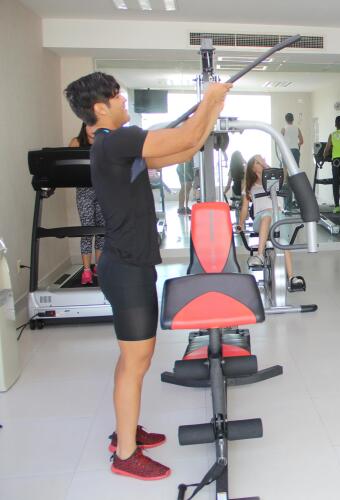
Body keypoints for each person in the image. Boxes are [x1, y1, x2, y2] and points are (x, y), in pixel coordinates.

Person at [64, 71, 231, 480]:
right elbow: (188, 136)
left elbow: (186, 148)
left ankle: (125, 431)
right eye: (116, 96)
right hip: (126, 268)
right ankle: (125, 453)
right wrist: (210, 99)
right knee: (136, 362)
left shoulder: (112, 147)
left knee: (131, 359)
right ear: (100, 108)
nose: (123, 100)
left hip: (126, 264)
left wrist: (213, 106)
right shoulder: (117, 140)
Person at [237, 154, 305, 291]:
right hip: (260, 219)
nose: (261, 162)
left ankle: (291, 278)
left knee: (283, 243)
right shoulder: (250, 186)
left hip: (278, 219)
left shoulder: (275, 180)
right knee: (267, 215)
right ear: (252, 168)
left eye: (262, 160)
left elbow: (284, 173)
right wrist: (240, 224)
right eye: (257, 162)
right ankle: (260, 255)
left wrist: (272, 164)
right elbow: (244, 208)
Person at [69, 122, 104, 284]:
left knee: (102, 231)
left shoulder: (104, 142)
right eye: (90, 126)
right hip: (84, 192)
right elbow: (68, 168)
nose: (93, 130)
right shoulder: (76, 142)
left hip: (103, 190)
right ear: (84, 126)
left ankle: (99, 267)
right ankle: (86, 270)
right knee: (87, 230)